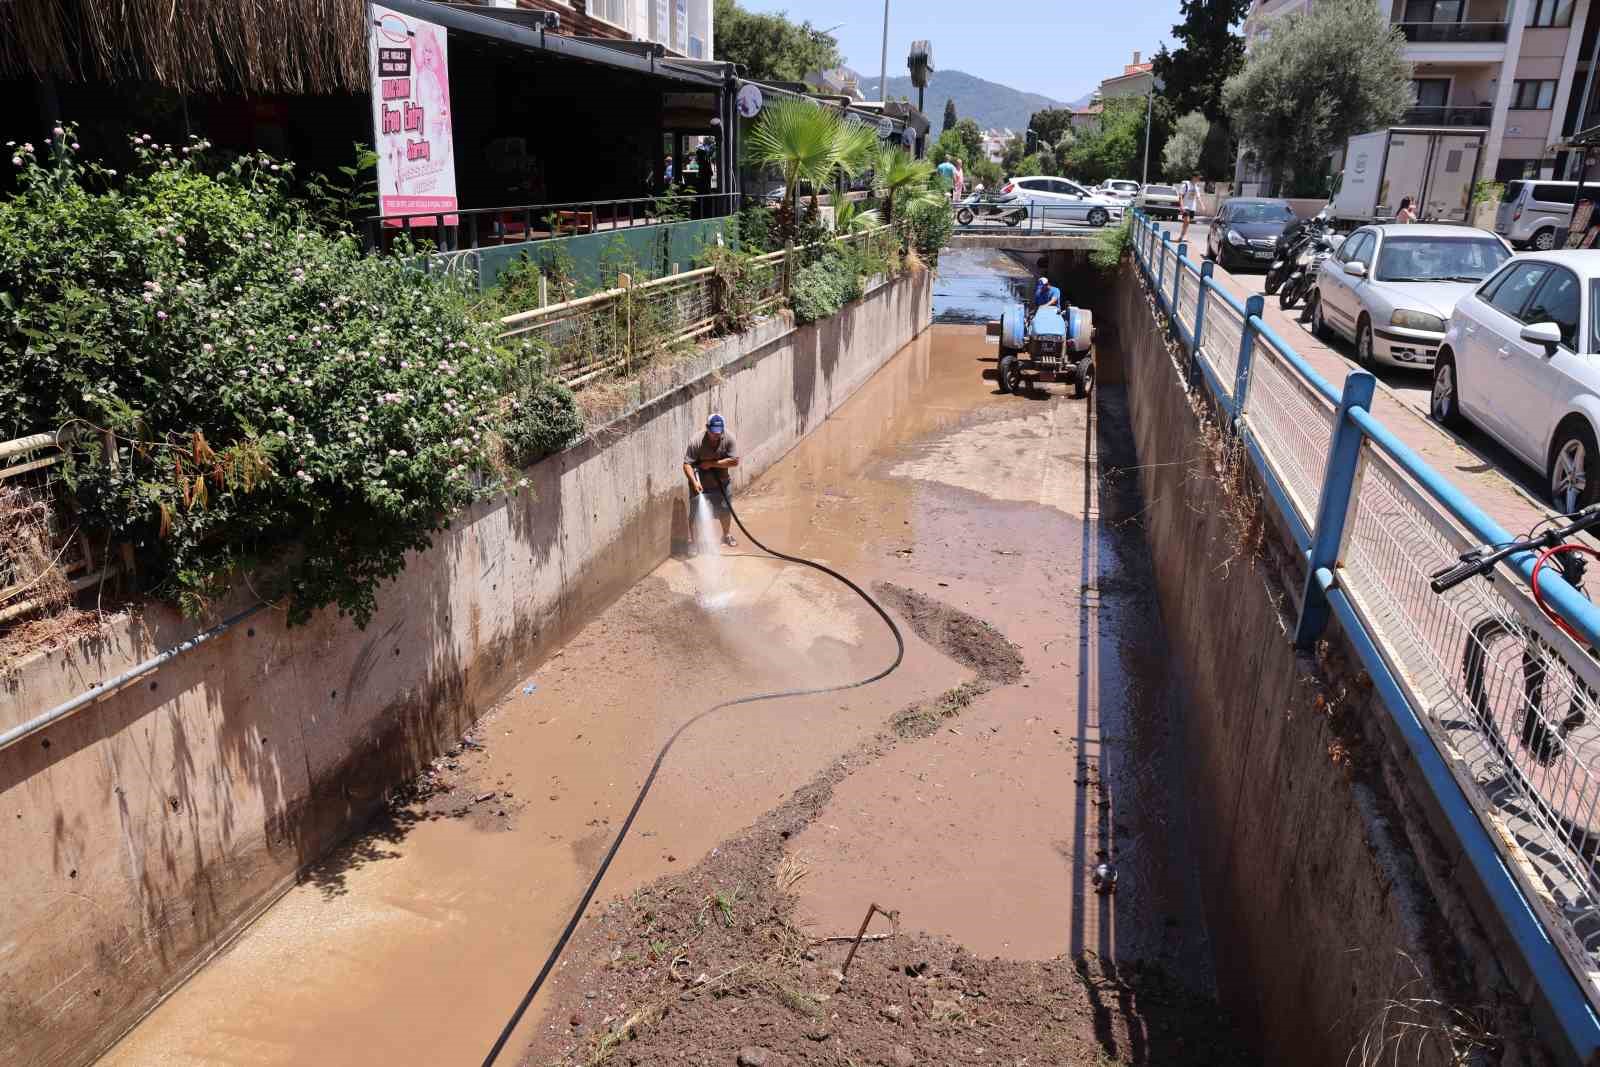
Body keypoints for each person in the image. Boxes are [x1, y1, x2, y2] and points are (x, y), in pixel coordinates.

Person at [684, 413, 740, 547]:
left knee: (725, 510)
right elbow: (687, 465)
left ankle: (726, 535)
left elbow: (734, 461)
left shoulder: (729, 438)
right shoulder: (696, 441)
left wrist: (712, 464)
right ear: (707, 428)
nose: (716, 436)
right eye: (713, 433)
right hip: (699, 483)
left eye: (719, 433)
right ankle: (694, 542)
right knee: (695, 514)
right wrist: (694, 482)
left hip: (721, 481)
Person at [1178, 174, 1201, 243]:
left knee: (1187, 223)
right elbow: (1180, 196)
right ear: (1193, 177)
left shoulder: (1196, 187)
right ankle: (1181, 237)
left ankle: (1182, 236)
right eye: (1198, 178)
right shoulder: (1186, 185)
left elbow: (1198, 197)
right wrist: (1181, 206)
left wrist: (1202, 204)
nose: (1199, 180)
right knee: (1187, 221)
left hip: (1192, 207)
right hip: (1185, 206)